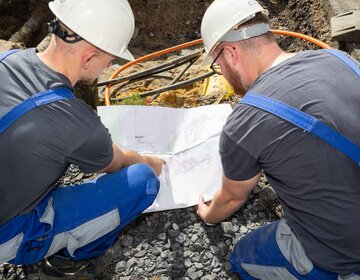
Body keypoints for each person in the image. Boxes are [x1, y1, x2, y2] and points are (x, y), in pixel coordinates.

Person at [0, 0, 164, 278]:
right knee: (142, 182)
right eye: (110, 59)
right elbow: (119, 163)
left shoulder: (6, 60)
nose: (109, 65)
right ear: (89, 57)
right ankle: (69, 263)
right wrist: (150, 161)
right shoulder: (74, 119)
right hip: (8, 232)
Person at [196, 0, 360, 279]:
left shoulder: (244, 122)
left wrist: (207, 215)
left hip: (344, 254)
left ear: (231, 53)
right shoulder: (340, 60)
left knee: (241, 257)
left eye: (217, 63)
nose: (221, 72)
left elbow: (232, 198)